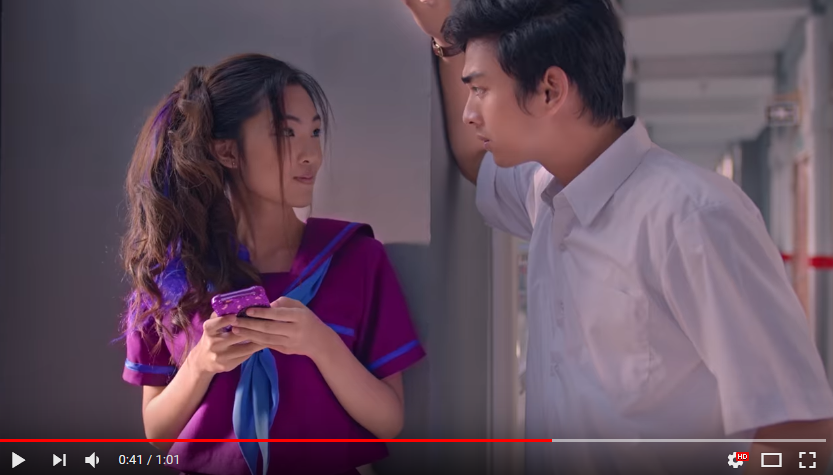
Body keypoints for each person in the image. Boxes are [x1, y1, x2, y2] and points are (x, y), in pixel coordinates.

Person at [404, 0, 833, 473]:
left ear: (549, 90)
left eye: (481, 90)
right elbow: (474, 160)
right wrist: (445, 36)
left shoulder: (693, 219)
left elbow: (805, 439)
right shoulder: (544, 195)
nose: (471, 113)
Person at [120, 53, 425, 475]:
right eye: (287, 133)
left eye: (315, 132)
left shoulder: (356, 259)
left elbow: (389, 422)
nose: (311, 155)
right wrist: (202, 362)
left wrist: (320, 344)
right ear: (228, 151)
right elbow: (156, 431)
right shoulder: (174, 274)